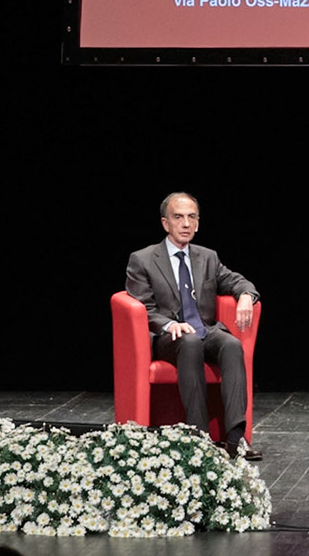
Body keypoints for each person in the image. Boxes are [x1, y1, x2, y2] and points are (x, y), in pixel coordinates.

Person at [123, 192, 259, 448]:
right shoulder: (142, 259)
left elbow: (236, 280)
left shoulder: (208, 257)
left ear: (197, 223)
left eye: (191, 217)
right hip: (169, 337)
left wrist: (245, 295)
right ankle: (199, 437)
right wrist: (169, 324)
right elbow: (143, 307)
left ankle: (235, 438)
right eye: (178, 217)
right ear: (166, 223)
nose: (185, 224)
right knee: (190, 342)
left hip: (204, 331)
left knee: (231, 344)